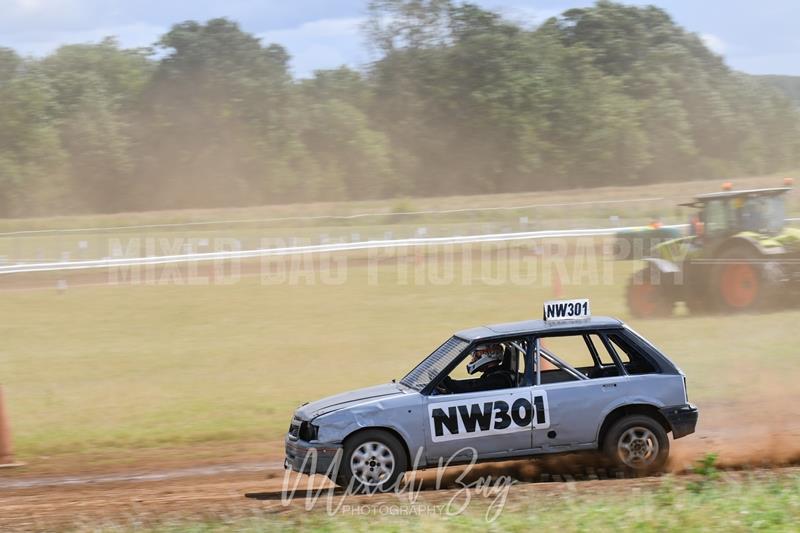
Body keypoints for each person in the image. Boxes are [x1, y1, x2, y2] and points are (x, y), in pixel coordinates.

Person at [439, 343, 515, 393]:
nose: (473, 359)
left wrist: (444, 381)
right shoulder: (493, 374)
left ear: (490, 354)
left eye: (476, 355)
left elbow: (467, 387)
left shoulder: (496, 380)